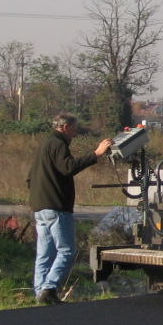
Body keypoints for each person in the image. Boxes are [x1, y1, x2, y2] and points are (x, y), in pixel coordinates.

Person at [27, 113, 112, 304]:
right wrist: (95, 154)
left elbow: (29, 177)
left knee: (44, 254)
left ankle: (39, 292)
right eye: (74, 128)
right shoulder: (58, 144)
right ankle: (49, 288)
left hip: (39, 207)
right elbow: (68, 167)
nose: (75, 133)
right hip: (56, 207)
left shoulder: (43, 144)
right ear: (65, 127)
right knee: (66, 251)